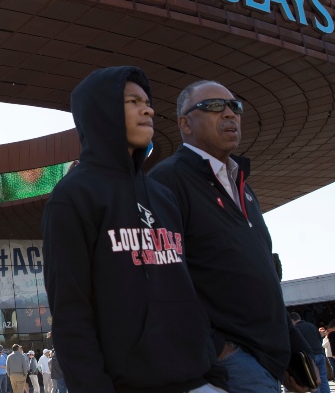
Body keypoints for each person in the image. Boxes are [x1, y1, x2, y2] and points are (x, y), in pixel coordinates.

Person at [42, 67, 217, 393]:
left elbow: (190, 289)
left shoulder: (163, 196)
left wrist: (212, 369)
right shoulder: (72, 198)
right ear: (101, 110)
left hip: (198, 381)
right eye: (132, 101)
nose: (148, 109)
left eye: (147, 101)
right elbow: (70, 315)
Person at [148, 79, 315, 393]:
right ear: (185, 123)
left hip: (270, 359)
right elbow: (160, 277)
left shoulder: (243, 186)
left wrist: (292, 349)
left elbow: (263, 273)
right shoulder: (166, 180)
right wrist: (217, 348)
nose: (229, 113)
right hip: (232, 363)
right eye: (213, 106)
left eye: (234, 106)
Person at [291, 314, 331, 393]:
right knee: (323, 378)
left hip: (309, 356)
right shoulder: (311, 325)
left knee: (313, 380)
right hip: (320, 353)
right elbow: (320, 339)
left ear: (292, 320)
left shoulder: (296, 329)